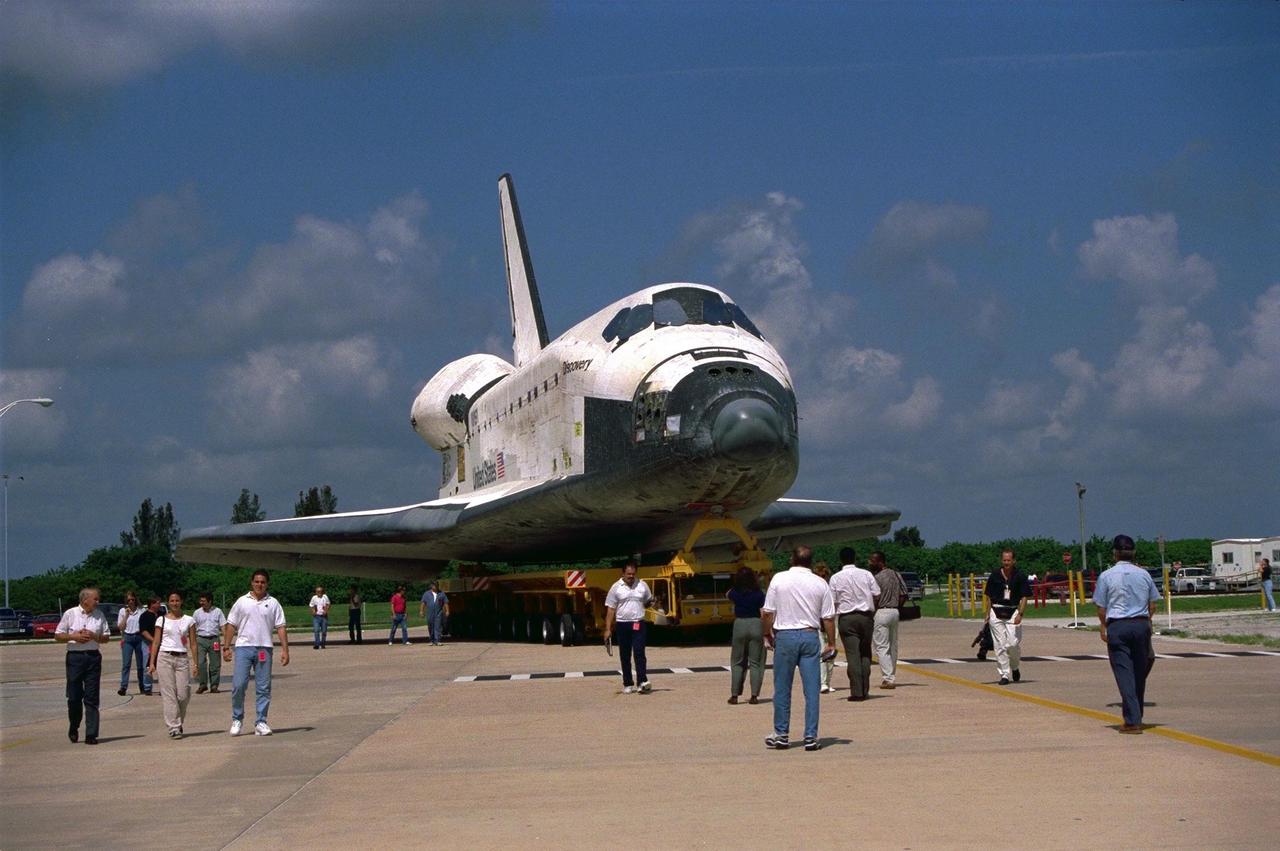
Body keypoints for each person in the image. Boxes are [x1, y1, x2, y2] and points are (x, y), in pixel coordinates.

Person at [761, 545, 835, 751]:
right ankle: (810, 736)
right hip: (810, 635)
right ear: (811, 562)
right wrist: (831, 643)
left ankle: (781, 734)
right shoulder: (820, 583)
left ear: (792, 560)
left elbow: (768, 612)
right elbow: (828, 618)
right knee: (812, 690)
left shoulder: (779, 579)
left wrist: (766, 633)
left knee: (782, 688)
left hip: (785, 636)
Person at [1093, 534, 1161, 734]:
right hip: (1141, 625)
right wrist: (1146, 623)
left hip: (1118, 626)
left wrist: (1103, 626)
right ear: (1133, 553)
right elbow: (1152, 605)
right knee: (1139, 672)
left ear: (1115, 553)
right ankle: (1136, 713)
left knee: (1124, 673)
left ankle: (1132, 720)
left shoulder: (1106, 576)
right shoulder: (1144, 575)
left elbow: (1101, 607)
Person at [223, 569, 289, 736]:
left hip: (264, 648)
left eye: (263, 582)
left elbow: (280, 627)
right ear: (252, 583)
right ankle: (237, 719)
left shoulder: (273, 603)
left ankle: (261, 721)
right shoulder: (242, 601)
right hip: (244, 647)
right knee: (239, 685)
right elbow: (231, 624)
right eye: (257, 581)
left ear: (267, 584)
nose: (260, 585)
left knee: (263, 687)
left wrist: (285, 650)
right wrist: (226, 647)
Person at [55, 587, 111, 744]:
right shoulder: (70, 614)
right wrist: (74, 636)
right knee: (74, 696)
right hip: (75, 658)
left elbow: (106, 637)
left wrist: (95, 636)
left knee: (92, 697)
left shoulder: (99, 615)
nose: (98, 602)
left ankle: (91, 734)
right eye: (95, 599)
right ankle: (74, 725)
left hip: (93, 658)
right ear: (85, 600)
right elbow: (58, 635)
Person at [828, 546, 880, 702]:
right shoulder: (866, 574)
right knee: (865, 653)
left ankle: (857, 691)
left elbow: (833, 601)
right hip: (866, 616)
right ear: (855, 558)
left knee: (852, 655)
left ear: (841, 560)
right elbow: (877, 593)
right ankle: (865, 689)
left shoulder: (836, 578)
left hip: (847, 618)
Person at [147, 591, 198, 739]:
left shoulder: (189, 620)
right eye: (172, 600)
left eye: (177, 600)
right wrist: (152, 662)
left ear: (181, 602)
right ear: (168, 602)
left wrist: (195, 663)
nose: (174, 603)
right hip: (165, 657)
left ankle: (178, 721)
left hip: (182, 659)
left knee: (183, 694)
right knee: (169, 694)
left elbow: (193, 644)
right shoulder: (161, 620)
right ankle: (173, 727)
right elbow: (156, 642)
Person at [603, 561, 654, 694]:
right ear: (623, 573)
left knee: (639, 653)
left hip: (638, 623)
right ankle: (627, 683)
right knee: (625, 655)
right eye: (628, 574)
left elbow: (648, 601)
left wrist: (651, 603)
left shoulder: (642, 585)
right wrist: (608, 629)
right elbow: (610, 609)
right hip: (622, 624)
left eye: (633, 574)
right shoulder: (616, 587)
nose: (631, 576)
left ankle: (642, 681)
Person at [984, 549, 1031, 685]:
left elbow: (1024, 597)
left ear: (1013, 561)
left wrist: (1020, 614)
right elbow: (988, 596)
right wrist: (987, 613)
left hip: (1012, 612)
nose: (1006, 563)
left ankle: (1015, 667)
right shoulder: (994, 575)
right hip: (996, 611)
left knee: (1012, 644)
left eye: (1009, 560)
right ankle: (1004, 674)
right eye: (1004, 560)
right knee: (1000, 646)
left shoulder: (1020, 576)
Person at [726, 566, 766, 704]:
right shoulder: (759, 593)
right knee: (755, 662)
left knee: (737, 661)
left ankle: (734, 695)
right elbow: (763, 611)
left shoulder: (735, 593)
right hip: (756, 624)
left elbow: (727, 594)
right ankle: (754, 695)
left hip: (740, 624)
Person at [869, 551, 907, 690]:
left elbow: (875, 597)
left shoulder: (876, 578)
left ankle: (888, 678)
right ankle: (892, 674)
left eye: (872, 561)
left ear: (880, 562)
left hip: (881, 611)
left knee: (882, 646)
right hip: (895, 611)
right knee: (893, 645)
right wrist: (898, 607)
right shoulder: (896, 574)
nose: (870, 564)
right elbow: (904, 594)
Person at [192, 592, 226, 694]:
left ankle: (214, 685)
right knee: (201, 663)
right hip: (201, 639)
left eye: (203, 601)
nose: (201, 603)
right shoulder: (197, 613)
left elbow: (223, 626)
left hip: (214, 640)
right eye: (200, 600)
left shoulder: (218, 611)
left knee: (215, 664)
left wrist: (226, 642)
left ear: (210, 601)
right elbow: (192, 628)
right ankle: (203, 685)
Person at [116, 591, 149, 696]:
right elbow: (120, 627)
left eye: (132, 599)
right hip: (128, 638)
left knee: (141, 665)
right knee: (126, 664)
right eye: (128, 600)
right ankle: (123, 687)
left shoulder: (141, 610)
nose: (130, 602)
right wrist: (126, 615)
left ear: (135, 600)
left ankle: (142, 686)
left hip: (139, 637)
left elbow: (145, 625)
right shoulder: (122, 611)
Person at [811, 562, 836, 694]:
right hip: (818, 624)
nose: (822, 577)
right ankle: (822, 682)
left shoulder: (829, 589)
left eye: (824, 575)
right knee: (822, 654)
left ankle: (828, 681)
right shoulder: (814, 589)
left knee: (830, 655)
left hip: (829, 623)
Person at [136, 597, 163, 695]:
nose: (159, 605)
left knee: (161, 665)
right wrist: (153, 640)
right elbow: (143, 631)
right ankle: (147, 687)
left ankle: (163, 687)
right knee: (147, 665)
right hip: (147, 643)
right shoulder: (144, 616)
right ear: (152, 604)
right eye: (157, 603)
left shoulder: (161, 615)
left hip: (162, 643)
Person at [419, 581, 449, 645]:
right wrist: (421, 611)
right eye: (434, 585)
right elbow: (423, 603)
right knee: (430, 626)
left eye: (437, 585)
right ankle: (431, 640)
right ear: (431, 586)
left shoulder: (441, 594)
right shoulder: (426, 594)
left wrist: (447, 611)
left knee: (438, 626)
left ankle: (437, 640)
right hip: (430, 613)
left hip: (438, 612)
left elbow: (446, 602)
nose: (436, 587)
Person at [309, 585, 330, 649]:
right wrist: (313, 611)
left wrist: (326, 611)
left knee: (324, 631)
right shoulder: (314, 598)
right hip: (316, 616)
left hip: (324, 616)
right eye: (317, 591)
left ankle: (323, 643)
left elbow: (328, 604)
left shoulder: (325, 597)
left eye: (320, 591)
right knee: (316, 630)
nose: (319, 593)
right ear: (316, 592)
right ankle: (317, 644)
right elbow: (311, 605)